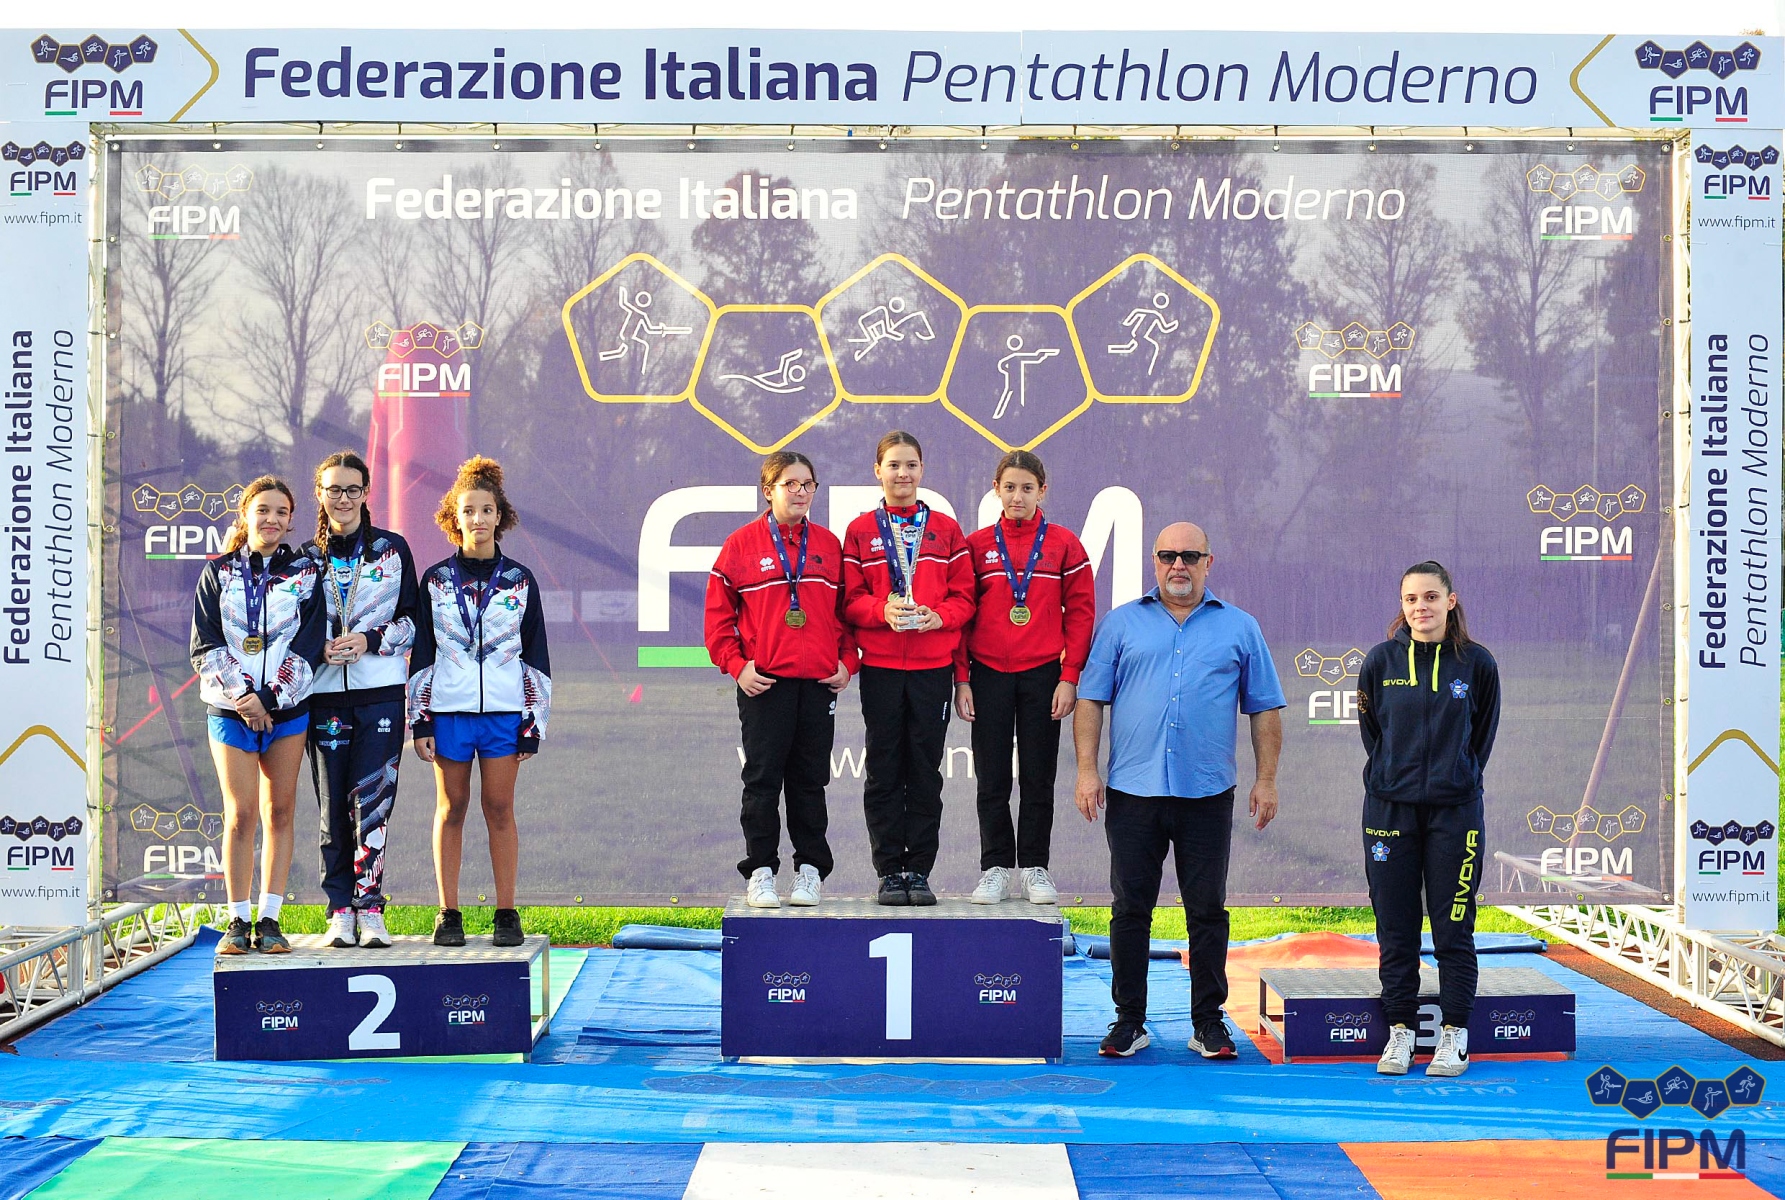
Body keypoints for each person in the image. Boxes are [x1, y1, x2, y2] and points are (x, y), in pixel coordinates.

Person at [1074, 522, 1285, 1059]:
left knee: (1207, 911)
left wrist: (1266, 780)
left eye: (1190, 555)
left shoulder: (1240, 627)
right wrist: (1086, 771)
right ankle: (1129, 1022)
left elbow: (1264, 707)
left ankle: (1208, 1023)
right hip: (1133, 791)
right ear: (1155, 561)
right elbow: (1091, 699)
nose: (1178, 565)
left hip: (1207, 794)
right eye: (1168, 555)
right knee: (1130, 910)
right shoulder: (1121, 624)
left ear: (1208, 562)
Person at [1357, 560, 1500, 1078]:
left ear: (1450, 601)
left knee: (1453, 929)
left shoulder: (1477, 664)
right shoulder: (1379, 661)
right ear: (1402, 605)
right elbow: (1373, 732)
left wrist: (1452, 777)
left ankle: (1455, 1034)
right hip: (1389, 810)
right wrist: (1395, 777)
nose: (1421, 607)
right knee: (1395, 928)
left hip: (1455, 813)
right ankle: (1400, 1032)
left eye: (1431, 597)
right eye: (1412, 599)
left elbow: (1481, 737)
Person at [407, 457, 552, 948]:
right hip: (449, 714)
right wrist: (420, 720)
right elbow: (422, 653)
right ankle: (448, 913)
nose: (478, 519)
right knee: (451, 808)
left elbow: (536, 656)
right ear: (455, 516)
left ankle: (506, 913)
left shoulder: (520, 580)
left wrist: (533, 722)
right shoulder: (435, 580)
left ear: (500, 515)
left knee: (500, 808)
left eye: (487, 510)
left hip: (505, 716)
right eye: (468, 510)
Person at [706, 452, 855, 908]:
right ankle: (761, 872)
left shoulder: (829, 545)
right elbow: (717, 619)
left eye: (808, 484)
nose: (800, 492)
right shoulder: (740, 545)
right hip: (765, 684)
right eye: (790, 483)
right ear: (768, 490)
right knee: (762, 780)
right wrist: (738, 666)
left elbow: (847, 613)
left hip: (818, 684)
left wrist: (847, 662)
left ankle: (810, 872)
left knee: (810, 782)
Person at [190, 476, 326, 955]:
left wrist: (270, 697)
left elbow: (310, 645)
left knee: (280, 812)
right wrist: (246, 697)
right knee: (241, 813)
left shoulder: (306, 574)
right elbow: (205, 645)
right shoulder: (217, 572)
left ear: (290, 522)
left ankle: (269, 919)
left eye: (281, 512)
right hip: (230, 711)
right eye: (263, 510)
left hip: (286, 710)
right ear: (246, 515)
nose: (271, 519)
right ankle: (236, 919)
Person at [954, 450, 1094, 905]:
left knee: (1038, 775)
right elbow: (962, 615)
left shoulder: (1064, 545)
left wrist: (1069, 676)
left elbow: (1081, 614)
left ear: (1042, 491)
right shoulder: (975, 546)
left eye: (1027, 488)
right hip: (988, 673)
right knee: (991, 777)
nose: (1018, 496)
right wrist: (962, 678)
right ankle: (994, 867)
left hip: (1042, 675)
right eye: (1010, 487)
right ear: (996, 489)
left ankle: (1035, 866)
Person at [843, 430, 976, 905]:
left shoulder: (946, 529)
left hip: (932, 668)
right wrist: (881, 610)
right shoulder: (860, 530)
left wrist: (941, 616)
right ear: (877, 471)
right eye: (894, 465)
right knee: (883, 770)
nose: (903, 473)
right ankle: (887, 870)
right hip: (880, 667)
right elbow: (849, 600)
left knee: (924, 771)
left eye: (911, 465)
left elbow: (966, 598)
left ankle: (918, 870)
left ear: (922, 470)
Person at [302, 450, 419, 949]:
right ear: (320, 494)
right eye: (334, 490)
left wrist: (371, 640)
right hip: (324, 696)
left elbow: (414, 622)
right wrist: (319, 647)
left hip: (381, 696)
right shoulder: (304, 559)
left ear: (367, 493)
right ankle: (338, 911)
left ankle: (370, 907)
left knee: (372, 806)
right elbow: (289, 627)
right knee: (332, 809)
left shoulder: (392, 550)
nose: (344, 499)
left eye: (352, 489)